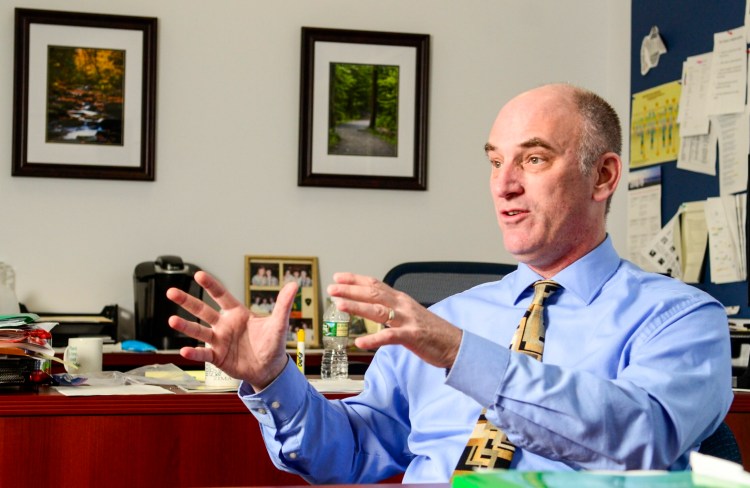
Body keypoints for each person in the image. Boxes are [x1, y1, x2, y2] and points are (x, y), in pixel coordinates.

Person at [166, 84, 732, 484]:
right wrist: (273, 381)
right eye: (494, 162)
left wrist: (462, 354)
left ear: (603, 176)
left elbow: (645, 438)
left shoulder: (680, 318)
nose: (503, 185)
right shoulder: (444, 318)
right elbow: (355, 452)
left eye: (533, 159)